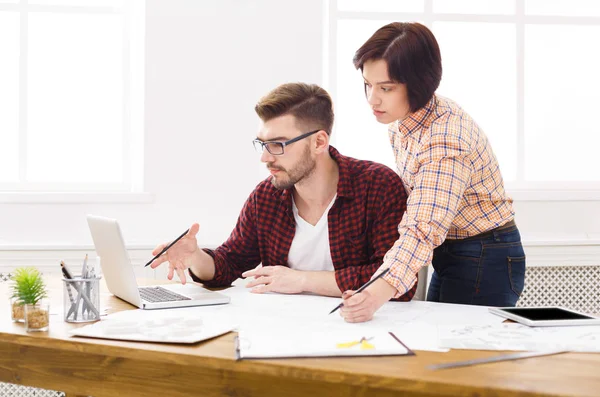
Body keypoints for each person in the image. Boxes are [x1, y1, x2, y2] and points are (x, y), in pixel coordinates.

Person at [150, 82, 417, 299]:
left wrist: (301, 280)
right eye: (262, 144)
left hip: (363, 332)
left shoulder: (378, 186)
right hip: (283, 330)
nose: (265, 158)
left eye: (278, 145)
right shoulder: (267, 196)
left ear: (319, 142)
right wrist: (196, 257)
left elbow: (397, 282)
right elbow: (228, 264)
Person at [340, 22, 526, 323]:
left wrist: (373, 295)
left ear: (418, 84)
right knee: (434, 338)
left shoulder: (446, 137)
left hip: (483, 253)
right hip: (454, 250)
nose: (372, 99)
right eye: (367, 84)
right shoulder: (404, 123)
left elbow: (423, 226)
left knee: (461, 354)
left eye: (385, 88)